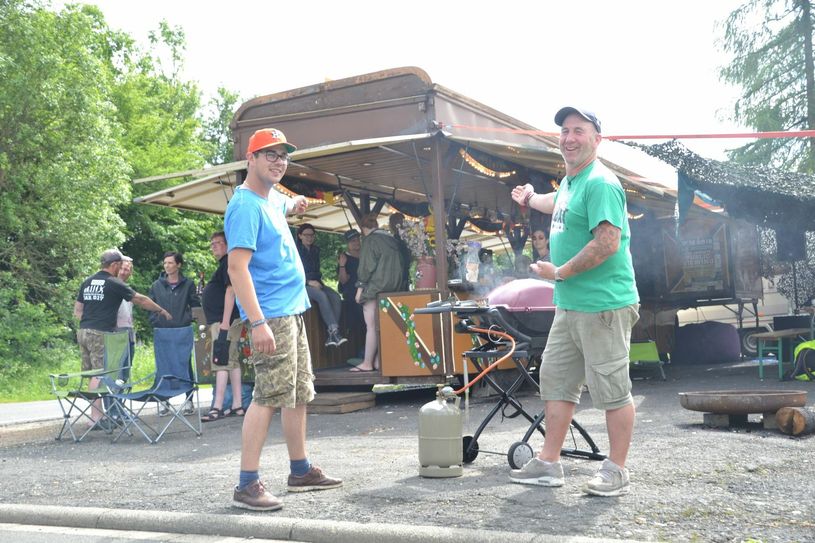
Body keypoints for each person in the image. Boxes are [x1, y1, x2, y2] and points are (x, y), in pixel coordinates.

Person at [509, 106, 639, 497]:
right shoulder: (572, 181)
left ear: (596, 139)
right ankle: (549, 464)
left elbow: (607, 242)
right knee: (557, 381)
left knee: (612, 389)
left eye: (578, 131)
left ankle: (616, 471)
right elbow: (558, 203)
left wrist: (560, 272)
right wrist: (532, 198)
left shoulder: (600, 182)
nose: (568, 138)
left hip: (604, 305)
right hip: (571, 305)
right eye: (564, 131)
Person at [225, 127, 342, 512]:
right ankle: (246, 484)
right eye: (269, 154)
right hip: (270, 315)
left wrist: (298, 204)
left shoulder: (270, 198)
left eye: (283, 156)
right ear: (251, 160)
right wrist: (256, 323)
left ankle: (300, 469)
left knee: (298, 392)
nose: (278, 161)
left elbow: (286, 204)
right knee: (268, 396)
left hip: (292, 311)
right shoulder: (244, 206)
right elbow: (237, 269)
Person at [75, 249, 171, 428]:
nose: (120, 269)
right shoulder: (113, 283)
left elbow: (77, 309)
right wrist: (160, 310)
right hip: (100, 333)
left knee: (90, 374)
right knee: (100, 373)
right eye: (119, 265)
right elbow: (140, 299)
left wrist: (89, 323)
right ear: (113, 265)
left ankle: (95, 415)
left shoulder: (87, 282)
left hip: (83, 332)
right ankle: (96, 418)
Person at [148, 251, 201, 416]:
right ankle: (164, 401)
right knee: (163, 366)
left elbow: (195, 305)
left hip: (182, 330)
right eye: (165, 263)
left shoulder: (188, 284)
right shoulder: (156, 285)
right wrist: (156, 321)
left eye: (170, 263)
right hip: (162, 330)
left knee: (185, 365)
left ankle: (189, 400)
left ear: (178, 265)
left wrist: (187, 319)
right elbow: (150, 306)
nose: (167, 266)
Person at [353, 213, 407, 372]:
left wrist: (359, 291)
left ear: (363, 229)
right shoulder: (392, 240)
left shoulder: (370, 241)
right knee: (386, 326)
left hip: (374, 289)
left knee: (371, 327)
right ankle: (379, 361)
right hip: (394, 288)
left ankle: (367, 363)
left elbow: (366, 268)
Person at [200, 231, 244, 422]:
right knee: (231, 360)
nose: (214, 246)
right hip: (224, 319)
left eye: (218, 242)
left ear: (228, 244)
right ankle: (237, 404)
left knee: (221, 360)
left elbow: (231, 291)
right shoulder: (224, 263)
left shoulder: (228, 261)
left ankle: (217, 407)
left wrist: (225, 322)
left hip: (225, 319)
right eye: (212, 243)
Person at [295, 223, 347, 348]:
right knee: (321, 295)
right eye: (306, 235)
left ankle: (332, 333)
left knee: (335, 296)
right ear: (300, 236)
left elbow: (317, 271)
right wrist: (308, 282)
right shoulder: (295, 250)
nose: (309, 237)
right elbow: (292, 271)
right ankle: (334, 331)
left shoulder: (315, 250)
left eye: (312, 235)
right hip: (300, 284)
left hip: (317, 281)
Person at [337, 228, 365, 351]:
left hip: (367, 295)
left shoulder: (365, 255)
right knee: (357, 327)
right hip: (352, 298)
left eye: (357, 239)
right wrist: (342, 265)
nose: (356, 243)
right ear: (348, 243)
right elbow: (343, 280)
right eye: (352, 241)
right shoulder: (344, 258)